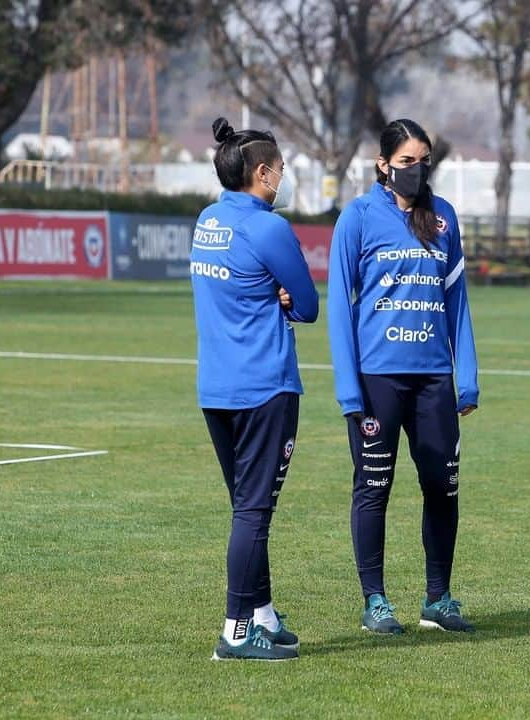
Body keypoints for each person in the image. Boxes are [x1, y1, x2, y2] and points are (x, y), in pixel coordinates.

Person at [328, 119, 479, 635]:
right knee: (374, 488)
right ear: (383, 164)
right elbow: (339, 311)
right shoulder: (358, 218)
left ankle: (438, 598)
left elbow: (457, 302)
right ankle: (375, 601)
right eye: (407, 161)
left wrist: (468, 378)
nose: (416, 170)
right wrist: (349, 389)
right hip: (377, 382)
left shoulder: (444, 219)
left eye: (424, 160)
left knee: (443, 487)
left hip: (434, 379)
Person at [192, 117, 319, 661]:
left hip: (216, 387)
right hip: (264, 386)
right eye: (282, 170)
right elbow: (310, 305)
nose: (283, 178)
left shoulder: (206, 220)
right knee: (253, 512)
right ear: (262, 173)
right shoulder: (269, 228)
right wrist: (284, 298)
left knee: (246, 507)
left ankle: (262, 614)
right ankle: (235, 632)